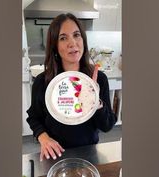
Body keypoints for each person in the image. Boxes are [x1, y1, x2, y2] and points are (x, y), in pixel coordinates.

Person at [26, 13, 117, 161]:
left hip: (89, 153)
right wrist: (44, 138)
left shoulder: (98, 79)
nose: (72, 43)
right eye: (63, 38)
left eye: (76, 35)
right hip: (55, 153)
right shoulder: (43, 81)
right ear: (55, 46)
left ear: (83, 40)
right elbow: (34, 117)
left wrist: (95, 100)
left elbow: (107, 126)